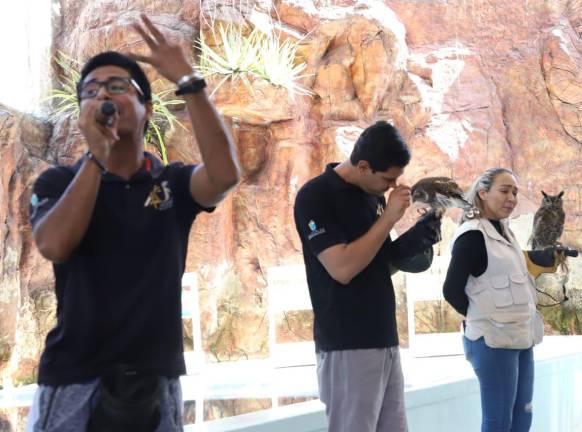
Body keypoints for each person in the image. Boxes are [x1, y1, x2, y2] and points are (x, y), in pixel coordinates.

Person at [27, 14, 240, 431]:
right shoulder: (60, 181)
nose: (103, 94)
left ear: (147, 109)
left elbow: (224, 176)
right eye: (91, 91)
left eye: (118, 86)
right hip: (74, 378)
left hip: (155, 380)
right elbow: (54, 245)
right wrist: (97, 157)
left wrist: (189, 81)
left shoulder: (171, 184)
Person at [293, 121, 441, 432]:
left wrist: (414, 240)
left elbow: (377, 264)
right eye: (387, 178)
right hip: (347, 341)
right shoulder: (316, 196)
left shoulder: (371, 196)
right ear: (363, 166)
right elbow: (343, 268)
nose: (392, 186)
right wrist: (388, 218)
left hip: (383, 337)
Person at [442, 168, 562, 432]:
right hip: (492, 341)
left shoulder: (506, 232)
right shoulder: (472, 235)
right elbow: (451, 290)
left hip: (521, 337)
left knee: (522, 419)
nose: (511, 198)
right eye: (505, 191)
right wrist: (482, 318)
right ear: (483, 193)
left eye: (515, 192)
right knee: (499, 422)